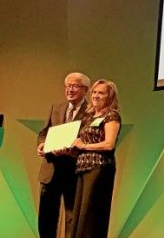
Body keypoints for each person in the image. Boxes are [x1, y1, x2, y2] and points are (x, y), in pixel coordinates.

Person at [37, 72, 91, 238]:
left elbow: (90, 139)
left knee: (72, 217)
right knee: (46, 217)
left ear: (85, 90)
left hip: (73, 171)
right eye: (67, 86)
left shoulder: (91, 112)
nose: (70, 90)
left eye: (74, 86)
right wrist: (42, 144)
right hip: (51, 169)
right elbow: (43, 133)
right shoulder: (56, 108)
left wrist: (73, 149)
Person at [69, 79, 122, 238]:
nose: (96, 96)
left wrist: (84, 146)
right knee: (80, 213)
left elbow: (109, 144)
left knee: (91, 214)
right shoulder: (89, 117)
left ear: (109, 96)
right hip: (82, 167)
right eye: (95, 92)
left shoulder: (112, 115)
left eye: (101, 93)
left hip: (99, 168)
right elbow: (81, 143)